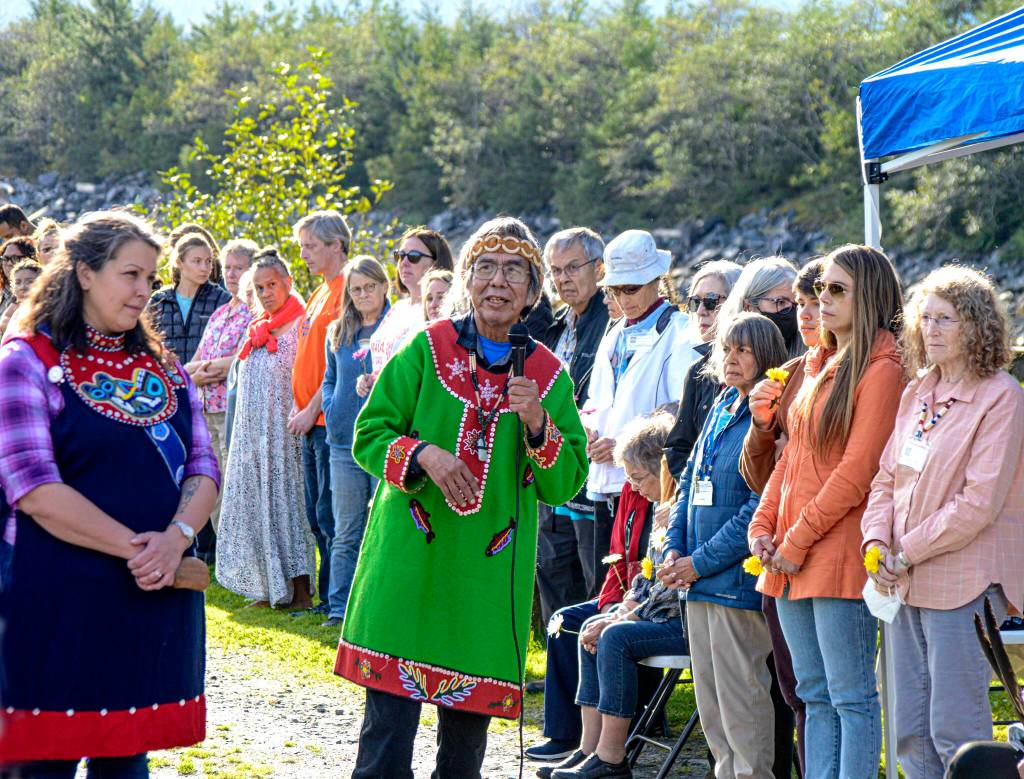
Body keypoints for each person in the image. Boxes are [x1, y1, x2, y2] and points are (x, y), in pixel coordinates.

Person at [335, 216, 588, 778]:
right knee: (385, 741)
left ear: (532, 290)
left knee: (464, 754)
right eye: (487, 268)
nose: (498, 282)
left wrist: (540, 423)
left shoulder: (548, 376)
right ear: (467, 278)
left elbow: (565, 482)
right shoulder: (425, 350)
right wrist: (426, 455)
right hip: (410, 562)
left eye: (515, 270)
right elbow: (369, 435)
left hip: (485, 578)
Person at [0, 210, 219, 775]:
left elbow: (203, 467)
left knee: (125, 760)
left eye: (151, 277)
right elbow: (33, 486)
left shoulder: (166, 369)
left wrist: (177, 539)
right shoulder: (26, 361)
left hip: (144, 596)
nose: (145, 290)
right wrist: (145, 552)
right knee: (41, 761)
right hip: (55, 599)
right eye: (131, 274)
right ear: (84, 274)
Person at [747, 244, 904, 779]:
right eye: (819, 289)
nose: (822, 299)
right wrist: (763, 525)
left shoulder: (884, 368)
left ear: (872, 297)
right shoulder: (820, 364)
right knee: (812, 696)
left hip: (836, 554)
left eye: (837, 290)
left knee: (851, 697)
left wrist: (792, 541)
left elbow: (857, 473)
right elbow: (791, 459)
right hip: (792, 554)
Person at [861, 265, 1024, 779]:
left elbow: (979, 503)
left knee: (956, 729)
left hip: (964, 581)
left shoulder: (1001, 396)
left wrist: (903, 550)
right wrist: (875, 542)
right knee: (908, 728)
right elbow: (885, 478)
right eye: (924, 318)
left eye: (945, 319)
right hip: (904, 580)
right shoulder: (916, 393)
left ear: (975, 326)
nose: (930, 329)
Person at [658, 313, 788, 779]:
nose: (731, 359)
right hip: (696, 580)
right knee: (712, 709)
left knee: (743, 703)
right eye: (727, 349)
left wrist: (698, 562)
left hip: (735, 583)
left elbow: (757, 506)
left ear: (766, 358)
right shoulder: (719, 405)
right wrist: (673, 549)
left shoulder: (769, 417)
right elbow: (687, 482)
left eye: (743, 351)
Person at [536, 412, 674, 775]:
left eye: (639, 478)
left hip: (678, 618)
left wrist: (624, 616)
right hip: (650, 607)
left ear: (663, 468)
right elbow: (645, 576)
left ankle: (612, 758)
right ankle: (587, 749)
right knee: (589, 626)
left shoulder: (678, 511)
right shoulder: (657, 503)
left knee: (613, 637)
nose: (634, 487)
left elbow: (669, 587)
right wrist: (617, 610)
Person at [739, 257, 825, 776]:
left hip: (824, 553)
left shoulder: (867, 372)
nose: (806, 314)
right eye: (801, 304)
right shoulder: (792, 374)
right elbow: (761, 473)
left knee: (837, 697)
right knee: (797, 692)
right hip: (779, 553)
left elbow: (852, 475)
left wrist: (788, 539)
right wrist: (762, 424)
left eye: (818, 302)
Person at [584, 229, 700, 590]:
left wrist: (622, 440)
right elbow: (597, 399)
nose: (622, 298)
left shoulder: (680, 330)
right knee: (610, 579)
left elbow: (683, 408)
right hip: (608, 477)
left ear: (656, 281)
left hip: (651, 478)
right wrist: (589, 429)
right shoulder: (615, 332)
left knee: (640, 581)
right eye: (614, 290)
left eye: (630, 289)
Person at [216, 250, 315, 609]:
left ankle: (301, 589)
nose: (266, 293)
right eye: (259, 288)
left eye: (272, 285)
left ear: (288, 283)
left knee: (289, 506)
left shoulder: (302, 324)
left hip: (284, 432)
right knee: (261, 505)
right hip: (254, 434)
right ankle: (271, 586)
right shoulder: (258, 327)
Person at [535, 226, 610, 640]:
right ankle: (557, 665)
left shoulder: (610, 321)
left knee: (590, 571)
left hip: (588, 466)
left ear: (598, 269)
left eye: (572, 268)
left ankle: (590, 669)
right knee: (552, 565)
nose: (563, 279)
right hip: (550, 462)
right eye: (555, 271)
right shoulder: (558, 325)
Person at [320, 256, 391, 629]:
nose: (363, 294)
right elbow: (329, 379)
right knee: (345, 528)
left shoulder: (396, 326)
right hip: (343, 442)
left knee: (380, 527)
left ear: (383, 286)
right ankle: (339, 607)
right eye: (356, 289)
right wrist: (332, 408)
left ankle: (375, 607)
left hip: (382, 442)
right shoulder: (339, 331)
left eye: (369, 287)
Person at [290, 210, 351, 616]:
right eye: (302, 247)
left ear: (335, 245)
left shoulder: (348, 288)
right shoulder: (319, 291)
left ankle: (334, 599)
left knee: (331, 514)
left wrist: (312, 408)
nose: (305, 255)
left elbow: (337, 363)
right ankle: (327, 594)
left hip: (327, 420)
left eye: (311, 246)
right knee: (316, 512)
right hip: (311, 420)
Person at [185, 238, 258, 543]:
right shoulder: (219, 314)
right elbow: (192, 365)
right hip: (205, 410)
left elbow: (243, 359)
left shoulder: (255, 315)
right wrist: (203, 371)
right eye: (226, 267)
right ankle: (225, 549)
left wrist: (207, 369)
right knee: (211, 484)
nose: (230, 274)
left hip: (233, 411)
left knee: (235, 484)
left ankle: (243, 551)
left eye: (238, 268)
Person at [663, 259, 743, 481]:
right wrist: (694, 488)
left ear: (738, 302)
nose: (700, 311)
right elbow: (677, 448)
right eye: (694, 302)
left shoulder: (762, 365)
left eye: (710, 302)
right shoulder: (698, 372)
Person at [362, 226, 454, 394]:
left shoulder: (439, 311)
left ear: (436, 263)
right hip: (383, 402)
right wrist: (371, 379)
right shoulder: (397, 308)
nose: (403, 263)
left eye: (413, 257)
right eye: (400, 255)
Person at [147, 232, 231, 362]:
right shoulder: (159, 300)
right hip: (166, 379)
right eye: (197, 261)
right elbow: (144, 343)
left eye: (208, 261)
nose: (205, 268)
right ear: (179, 262)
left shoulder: (222, 300)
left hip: (208, 379)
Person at [717, 256, 802, 358]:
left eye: (798, 303)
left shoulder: (810, 366)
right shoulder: (707, 370)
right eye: (780, 302)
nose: (791, 312)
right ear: (748, 307)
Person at [0, 236, 36, 322]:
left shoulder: (33, 290)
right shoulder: (2, 291)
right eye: (5, 258)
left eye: (15, 258)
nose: (8, 263)